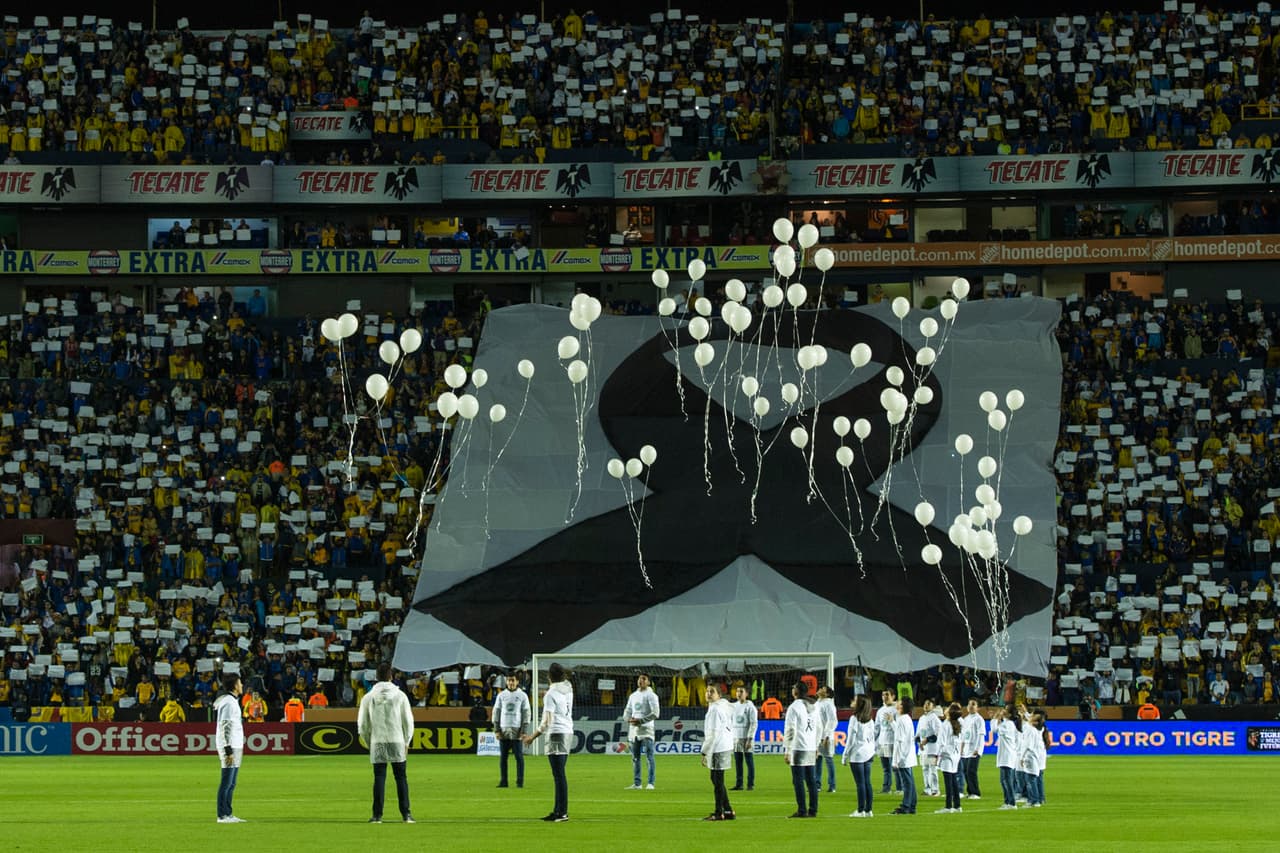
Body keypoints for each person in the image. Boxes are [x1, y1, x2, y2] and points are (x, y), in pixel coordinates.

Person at [357, 663, 415, 824]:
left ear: (376, 677)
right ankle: (406, 814)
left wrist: (370, 741)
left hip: (378, 740)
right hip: (397, 739)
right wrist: (407, 741)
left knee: (379, 778)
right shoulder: (400, 695)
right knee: (401, 777)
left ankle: (377, 816)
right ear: (391, 676)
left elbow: (362, 724)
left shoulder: (368, 697)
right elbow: (408, 721)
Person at [522, 662, 573, 822]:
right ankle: (558, 810)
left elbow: (547, 721)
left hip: (556, 733)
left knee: (559, 775)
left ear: (549, 676)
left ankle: (562, 812)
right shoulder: (568, 689)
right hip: (567, 731)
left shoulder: (551, 694)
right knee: (560, 774)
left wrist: (532, 736)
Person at [783, 681, 819, 818]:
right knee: (811, 780)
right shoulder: (814, 706)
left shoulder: (794, 707)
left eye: (793, 687)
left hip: (798, 747)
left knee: (798, 780)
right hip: (810, 746)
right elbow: (818, 727)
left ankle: (802, 810)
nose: (792, 689)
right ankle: (813, 809)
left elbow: (790, 729)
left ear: (796, 691)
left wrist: (787, 750)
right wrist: (816, 746)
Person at [700, 684, 735, 820]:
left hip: (718, 747)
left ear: (718, 695)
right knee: (716, 779)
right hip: (724, 745)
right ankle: (727, 810)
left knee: (718, 780)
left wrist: (704, 752)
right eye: (707, 691)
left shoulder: (714, 710)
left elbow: (712, 735)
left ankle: (718, 812)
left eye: (712, 692)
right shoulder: (723, 705)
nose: (708, 694)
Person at [213, 674, 245, 824]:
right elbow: (225, 725)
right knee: (226, 781)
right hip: (230, 746)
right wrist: (228, 749)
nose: (242, 685)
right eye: (240, 682)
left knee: (232, 782)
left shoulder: (232, 701)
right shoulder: (228, 703)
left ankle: (228, 813)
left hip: (236, 744)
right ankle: (222, 815)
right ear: (234, 685)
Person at [492, 672, 531, 788]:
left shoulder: (523, 695)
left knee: (519, 757)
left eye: (513, 680)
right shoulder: (501, 695)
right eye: (509, 680)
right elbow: (496, 713)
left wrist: (524, 731)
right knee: (503, 757)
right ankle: (504, 781)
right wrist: (496, 730)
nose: (511, 683)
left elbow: (526, 713)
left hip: (516, 730)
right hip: (504, 730)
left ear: (517, 682)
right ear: (506, 682)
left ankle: (520, 781)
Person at [841, 695, 877, 817]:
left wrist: (845, 755)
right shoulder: (870, 720)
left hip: (858, 754)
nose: (852, 701)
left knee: (860, 783)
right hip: (869, 752)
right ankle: (869, 810)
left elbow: (851, 739)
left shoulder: (854, 719)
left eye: (855, 700)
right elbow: (873, 737)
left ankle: (860, 810)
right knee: (867, 782)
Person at [623, 673, 660, 790]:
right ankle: (637, 783)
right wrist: (628, 719)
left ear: (649, 682)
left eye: (644, 679)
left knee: (649, 756)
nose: (641, 680)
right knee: (635, 757)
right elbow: (627, 711)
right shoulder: (633, 695)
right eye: (639, 678)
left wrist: (641, 721)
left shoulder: (652, 695)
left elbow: (656, 713)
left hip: (647, 729)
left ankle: (651, 783)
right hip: (634, 729)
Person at [890, 696, 918, 814]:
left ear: (902, 706)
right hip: (908, 755)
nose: (896, 703)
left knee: (906, 782)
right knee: (910, 781)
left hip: (904, 757)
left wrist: (898, 760)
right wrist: (892, 722)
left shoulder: (902, 719)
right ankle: (911, 805)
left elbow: (900, 741)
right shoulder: (907, 718)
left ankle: (906, 806)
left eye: (899, 702)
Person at [934, 702, 964, 814]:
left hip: (947, 756)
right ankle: (957, 805)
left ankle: (948, 806)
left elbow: (941, 743)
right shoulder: (957, 724)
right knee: (954, 781)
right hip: (955, 755)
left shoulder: (946, 724)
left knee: (948, 782)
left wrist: (937, 756)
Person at [994, 706, 1023, 809]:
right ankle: (1007, 802)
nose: (1003, 711)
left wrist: (995, 718)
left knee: (1007, 780)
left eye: (1005, 710)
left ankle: (1011, 803)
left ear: (1009, 714)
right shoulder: (1008, 724)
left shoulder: (1008, 725)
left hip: (1007, 756)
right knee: (1004, 780)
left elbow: (994, 730)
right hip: (1006, 756)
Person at [731, 685, 758, 791]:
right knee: (738, 762)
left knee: (749, 761)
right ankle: (739, 784)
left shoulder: (750, 707)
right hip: (736, 737)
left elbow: (754, 723)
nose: (738, 693)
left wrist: (750, 738)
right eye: (737, 691)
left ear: (746, 694)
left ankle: (750, 784)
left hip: (746, 738)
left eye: (741, 691)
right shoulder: (733, 706)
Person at [1019, 711, 1048, 807]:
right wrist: (1025, 714)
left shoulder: (1030, 730)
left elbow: (1027, 745)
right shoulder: (1038, 729)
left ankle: (1033, 800)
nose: (1030, 717)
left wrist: (1022, 757)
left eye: (1033, 716)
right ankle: (1040, 798)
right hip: (1038, 755)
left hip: (1031, 756)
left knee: (1031, 779)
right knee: (1038, 778)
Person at [960, 699, 986, 799]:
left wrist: (978, 749)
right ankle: (970, 791)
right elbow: (963, 735)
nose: (971, 706)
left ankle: (976, 792)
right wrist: (961, 748)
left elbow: (981, 735)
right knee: (966, 771)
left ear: (977, 707)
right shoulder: (966, 719)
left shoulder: (979, 719)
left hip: (974, 749)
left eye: (973, 704)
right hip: (966, 749)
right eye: (969, 704)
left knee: (971, 770)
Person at [915, 699, 940, 797]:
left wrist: (927, 740)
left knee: (932, 769)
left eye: (929, 704)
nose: (926, 705)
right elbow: (918, 734)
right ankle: (927, 789)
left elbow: (938, 734)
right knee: (925, 769)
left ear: (933, 707)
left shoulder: (934, 718)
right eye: (925, 703)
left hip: (932, 748)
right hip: (923, 749)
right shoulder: (922, 718)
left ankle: (935, 790)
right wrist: (918, 742)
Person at [815, 685, 837, 793]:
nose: (819, 689)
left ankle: (832, 785)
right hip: (816, 737)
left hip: (826, 737)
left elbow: (832, 720)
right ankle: (817, 785)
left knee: (828, 760)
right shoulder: (817, 703)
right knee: (817, 759)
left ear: (827, 694)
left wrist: (827, 736)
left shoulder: (829, 704)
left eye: (822, 689)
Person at [874, 690, 897, 793]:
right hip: (882, 742)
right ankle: (886, 788)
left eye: (887, 694)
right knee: (885, 768)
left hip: (892, 742)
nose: (885, 696)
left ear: (893, 696)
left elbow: (898, 727)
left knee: (895, 768)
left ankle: (899, 788)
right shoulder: (880, 711)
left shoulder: (896, 710)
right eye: (883, 694)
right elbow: (877, 727)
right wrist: (873, 740)